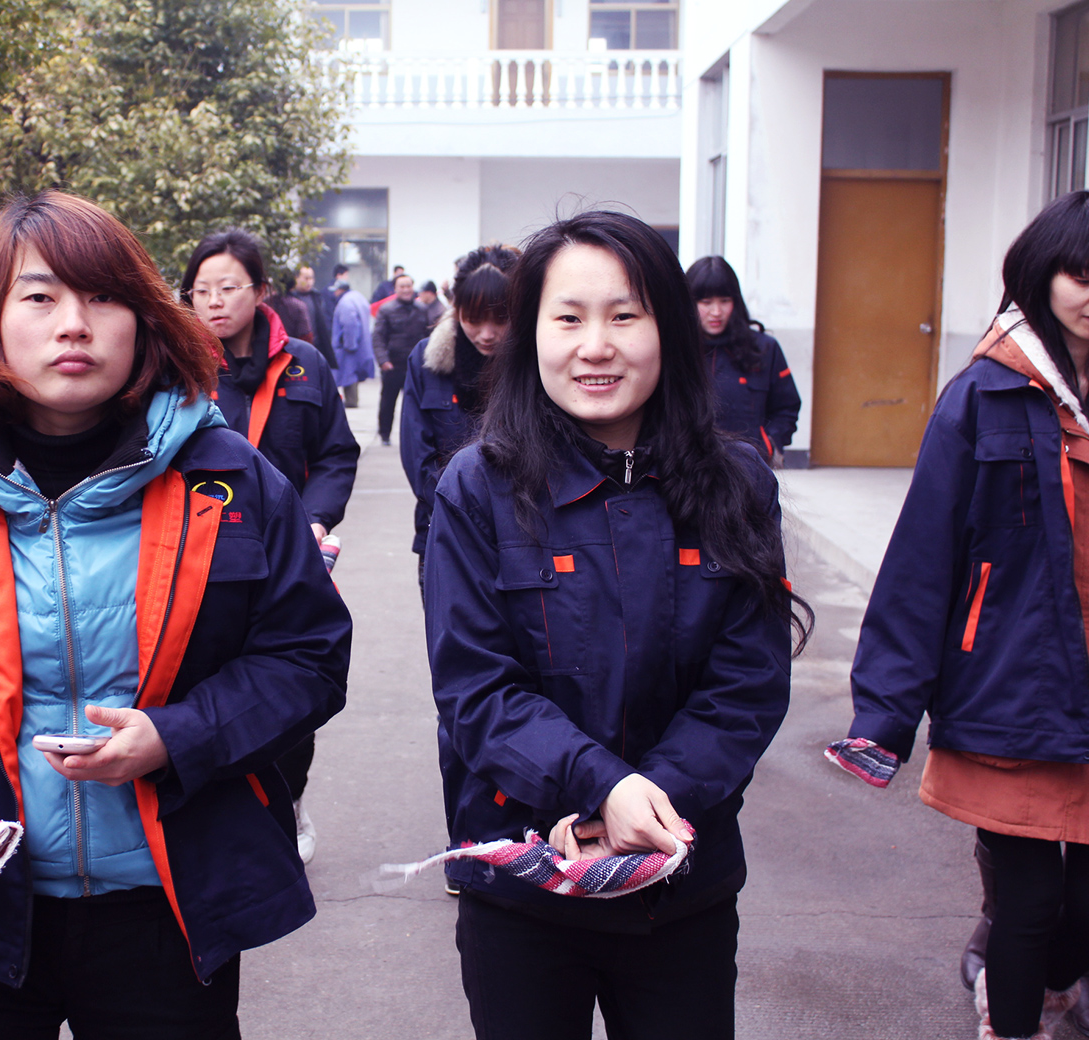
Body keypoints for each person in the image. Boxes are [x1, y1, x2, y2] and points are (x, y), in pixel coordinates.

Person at [0, 190, 350, 1039]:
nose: (74, 324)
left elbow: (308, 658)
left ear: (143, 319)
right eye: (39, 297)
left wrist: (176, 737)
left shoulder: (231, 484)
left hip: (167, 908)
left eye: (104, 297)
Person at [424, 211, 810, 1040]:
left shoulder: (738, 483)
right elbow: (477, 690)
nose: (595, 346)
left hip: (682, 885)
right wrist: (601, 788)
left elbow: (746, 687)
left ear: (668, 328)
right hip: (524, 884)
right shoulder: (478, 487)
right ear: (532, 334)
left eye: (624, 315)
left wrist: (651, 804)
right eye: (568, 318)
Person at [831, 190, 1089, 1040]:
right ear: (1042, 277)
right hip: (1008, 694)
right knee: (1029, 901)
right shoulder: (982, 395)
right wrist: (885, 713)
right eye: (1081, 275)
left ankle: (1055, 986)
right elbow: (924, 558)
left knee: (1080, 909)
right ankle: (1010, 1023)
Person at [181, 228, 359, 865]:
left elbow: (335, 454)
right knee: (209, 686)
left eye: (228, 287)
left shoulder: (304, 363)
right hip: (202, 560)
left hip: (290, 556)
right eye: (201, 290)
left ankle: (290, 797)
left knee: (289, 686)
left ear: (260, 291)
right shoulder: (178, 367)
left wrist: (315, 519)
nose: (214, 302)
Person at [401, 245, 517, 598]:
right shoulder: (426, 360)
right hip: (443, 529)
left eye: (500, 319)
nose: (487, 333)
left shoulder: (539, 364)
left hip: (521, 538)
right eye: (474, 318)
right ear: (457, 308)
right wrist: (460, 510)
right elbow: (417, 455)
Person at [685, 256, 800, 465]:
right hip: (685, 468)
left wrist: (770, 445)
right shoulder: (672, 350)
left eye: (724, 301)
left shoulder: (764, 348)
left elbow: (787, 407)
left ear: (736, 302)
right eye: (706, 302)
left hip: (749, 468)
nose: (716, 312)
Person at [372, 274, 428, 446]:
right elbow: (378, 337)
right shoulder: (386, 310)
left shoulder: (422, 309)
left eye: (408, 286)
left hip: (416, 365)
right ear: (395, 289)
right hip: (393, 364)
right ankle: (384, 434)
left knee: (415, 403)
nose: (406, 290)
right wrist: (383, 360)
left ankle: (415, 436)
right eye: (402, 286)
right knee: (388, 402)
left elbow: (428, 335)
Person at [331, 279, 374, 410]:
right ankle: (352, 399)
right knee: (352, 372)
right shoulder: (358, 297)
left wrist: (349, 344)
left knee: (348, 373)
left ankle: (351, 400)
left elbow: (350, 324)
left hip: (350, 345)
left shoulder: (345, 303)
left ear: (340, 290)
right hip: (361, 342)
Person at [288, 265, 338, 368]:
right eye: (306, 278)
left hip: (316, 346)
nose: (309, 282)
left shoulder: (317, 297)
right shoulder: (289, 299)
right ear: (296, 278)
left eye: (311, 278)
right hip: (296, 347)